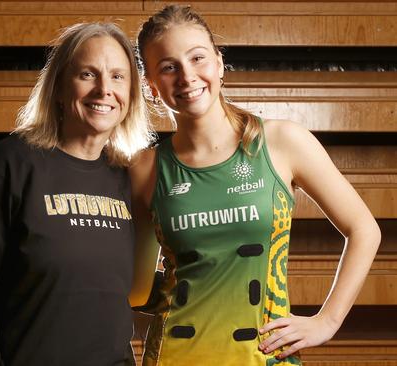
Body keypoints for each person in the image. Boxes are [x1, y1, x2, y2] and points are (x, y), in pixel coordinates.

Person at [128, 5, 381, 365]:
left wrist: (328, 321)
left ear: (218, 63)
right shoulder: (145, 168)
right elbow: (137, 291)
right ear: (152, 85)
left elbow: (364, 229)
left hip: (263, 357)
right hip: (175, 355)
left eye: (197, 58)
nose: (187, 76)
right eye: (168, 67)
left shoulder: (282, 141)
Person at [0, 22, 155, 365]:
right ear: (59, 86)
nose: (104, 90)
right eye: (88, 74)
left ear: (131, 94)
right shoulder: (10, 165)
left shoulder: (126, 176)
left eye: (118, 77)